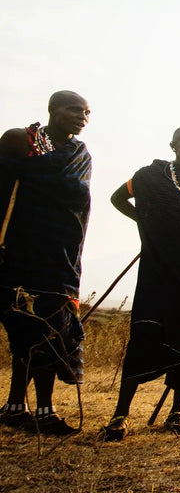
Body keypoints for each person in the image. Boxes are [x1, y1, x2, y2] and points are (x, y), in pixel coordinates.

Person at [99, 126, 180, 441]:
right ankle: (120, 414)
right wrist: (146, 221)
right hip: (159, 271)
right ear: (173, 145)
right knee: (146, 334)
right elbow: (118, 197)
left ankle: (176, 412)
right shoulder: (149, 177)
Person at [0, 90, 91, 435]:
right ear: (52, 110)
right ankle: (15, 406)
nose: (82, 116)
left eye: (86, 112)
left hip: (60, 255)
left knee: (51, 329)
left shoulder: (80, 153)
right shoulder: (17, 141)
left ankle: (44, 410)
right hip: (19, 248)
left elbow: (80, 209)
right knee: (22, 326)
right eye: (74, 109)